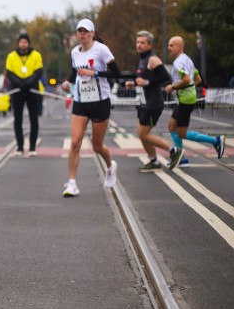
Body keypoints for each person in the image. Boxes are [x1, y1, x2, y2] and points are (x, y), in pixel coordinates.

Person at [60, 19, 120, 197]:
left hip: (100, 101)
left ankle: (110, 166)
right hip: (80, 100)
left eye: (85, 31)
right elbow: (74, 71)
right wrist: (67, 82)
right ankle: (72, 183)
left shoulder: (101, 49)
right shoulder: (74, 52)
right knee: (75, 142)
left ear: (92, 33)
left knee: (97, 146)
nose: (82, 34)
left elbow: (116, 72)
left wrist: (94, 73)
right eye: (79, 31)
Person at [124, 31, 182, 172]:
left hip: (153, 103)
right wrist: (134, 83)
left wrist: (147, 82)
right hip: (145, 102)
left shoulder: (152, 59)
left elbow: (165, 77)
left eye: (142, 43)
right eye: (137, 42)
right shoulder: (142, 60)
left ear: (149, 44)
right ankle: (153, 161)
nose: (139, 45)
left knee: (144, 134)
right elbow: (144, 81)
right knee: (140, 132)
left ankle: (174, 150)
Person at [164, 36, 225, 163]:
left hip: (185, 100)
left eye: (171, 45)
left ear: (179, 47)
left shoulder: (178, 63)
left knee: (181, 132)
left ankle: (216, 141)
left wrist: (173, 86)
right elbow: (197, 80)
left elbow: (186, 79)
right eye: (169, 45)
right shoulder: (188, 60)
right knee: (171, 126)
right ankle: (182, 158)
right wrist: (190, 88)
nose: (168, 48)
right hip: (184, 98)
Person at [4, 32, 43, 156]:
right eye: (21, 42)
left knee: (34, 119)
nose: (23, 44)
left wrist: (28, 82)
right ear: (18, 43)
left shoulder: (36, 55)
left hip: (32, 90)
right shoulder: (11, 56)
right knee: (17, 119)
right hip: (17, 90)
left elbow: (38, 71)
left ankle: (32, 147)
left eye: (25, 42)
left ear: (28, 43)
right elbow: (9, 72)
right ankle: (20, 147)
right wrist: (20, 83)